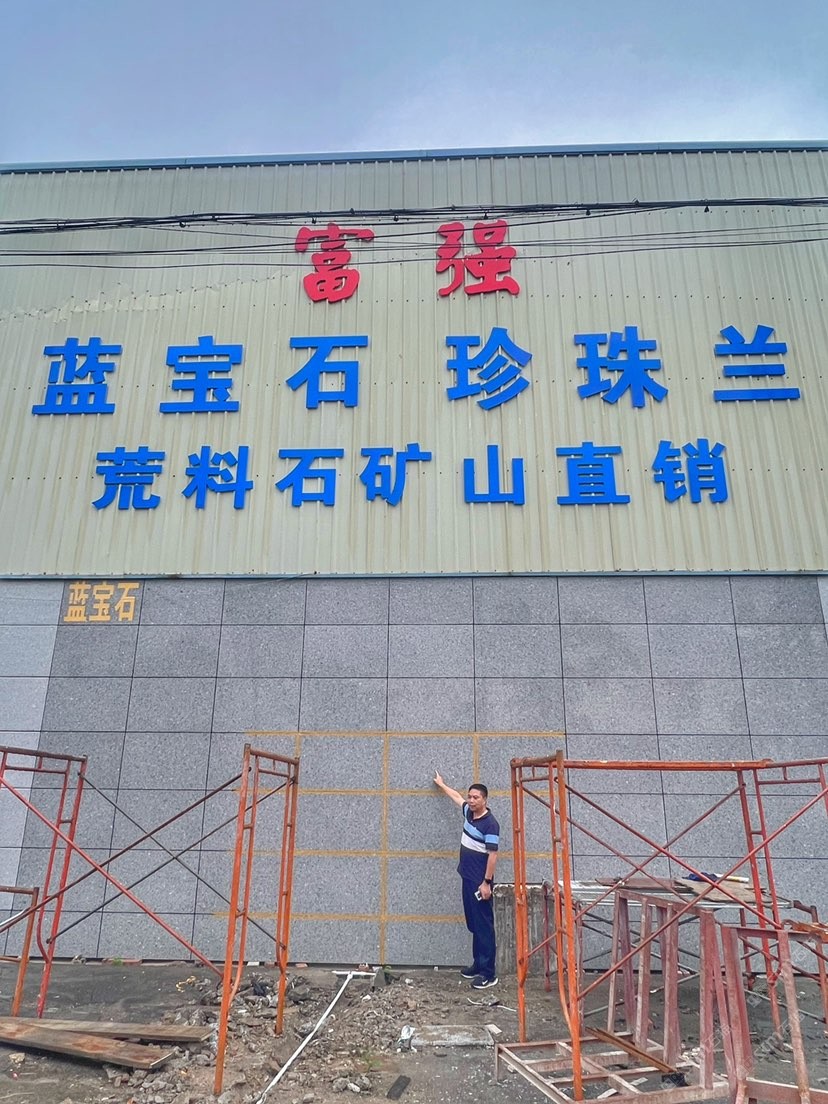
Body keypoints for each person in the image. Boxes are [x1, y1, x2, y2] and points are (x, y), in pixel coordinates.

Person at [433, 771, 500, 989]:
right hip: (467, 878)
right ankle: (478, 965)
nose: (471, 800)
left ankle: (489, 974)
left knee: (484, 927)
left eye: (475, 798)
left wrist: (487, 883)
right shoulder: (469, 814)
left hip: (480, 883)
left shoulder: (490, 824)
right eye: (470, 797)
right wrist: (442, 784)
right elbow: (456, 797)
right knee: (473, 924)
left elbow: (493, 855)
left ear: (485, 800)